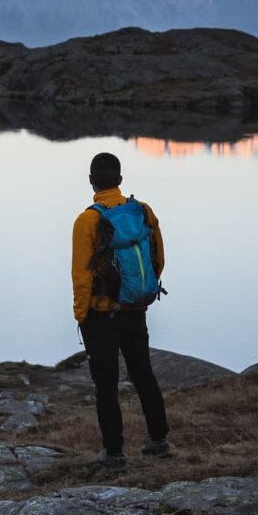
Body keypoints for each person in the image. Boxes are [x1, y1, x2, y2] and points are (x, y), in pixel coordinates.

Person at [71, 152, 170, 471]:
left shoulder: (87, 220)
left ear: (90, 181)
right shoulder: (143, 210)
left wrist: (81, 314)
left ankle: (114, 453)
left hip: (101, 314)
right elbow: (158, 257)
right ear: (121, 180)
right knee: (143, 374)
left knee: (106, 384)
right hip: (134, 307)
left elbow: (81, 275)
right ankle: (160, 441)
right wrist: (140, 291)